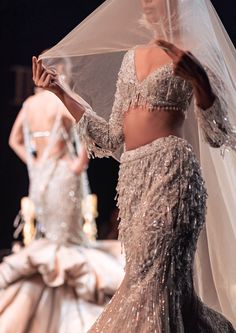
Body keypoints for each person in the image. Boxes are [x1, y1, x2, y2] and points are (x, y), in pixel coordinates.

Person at [32, 0, 236, 331]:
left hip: (173, 174)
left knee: (157, 285)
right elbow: (112, 137)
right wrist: (60, 91)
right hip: (133, 181)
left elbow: (219, 134)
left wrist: (200, 82)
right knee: (145, 282)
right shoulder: (133, 56)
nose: (145, 3)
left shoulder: (194, 52)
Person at [0, 87, 124, 333]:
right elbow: (85, 130)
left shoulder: (29, 105)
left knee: (53, 237)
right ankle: (65, 303)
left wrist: (34, 161)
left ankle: (53, 299)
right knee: (68, 240)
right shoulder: (59, 104)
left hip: (42, 176)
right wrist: (80, 162)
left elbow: (14, 140)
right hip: (64, 176)